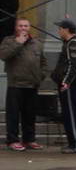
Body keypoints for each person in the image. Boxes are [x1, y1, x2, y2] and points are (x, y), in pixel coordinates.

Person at [1, 18, 48, 151]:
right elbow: (4, 55)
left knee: (30, 115)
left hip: (32, 84)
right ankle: (13, 140)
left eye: (26, 26)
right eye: (20, 26)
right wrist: (18, 43)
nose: (23, 28)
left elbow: (43, 61)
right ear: (16, 28)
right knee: (13, 115)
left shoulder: (37, 42)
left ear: (29, 27)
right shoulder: (9, 41)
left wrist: (41, 75)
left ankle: (29, 139)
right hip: (16, 84)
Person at [52, 19, 76, 154]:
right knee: (67, 114)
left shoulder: (73, 43)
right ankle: (72, 143)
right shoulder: (68, 43)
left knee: (72, 115)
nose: (59, 31)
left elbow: (74, 66)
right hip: (67, 84)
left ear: (66, 30)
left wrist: (66, 82)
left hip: (71, 86)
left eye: (60, 28)